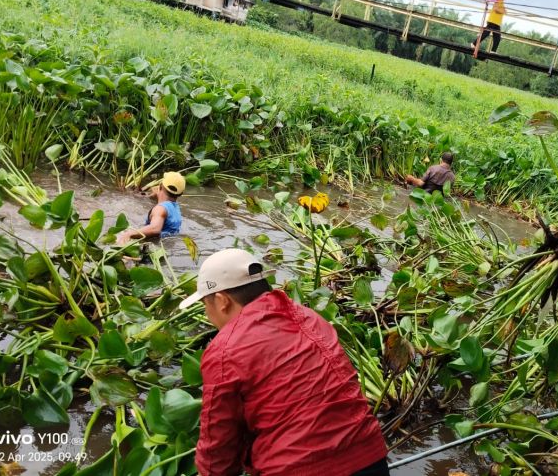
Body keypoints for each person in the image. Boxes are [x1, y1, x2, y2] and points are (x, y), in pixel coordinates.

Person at [179, 248, 389, 476]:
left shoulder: (225, 349)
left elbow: (218, 449)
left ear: (222, 301)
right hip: (372, 460)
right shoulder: (311, 318)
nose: (208, 314)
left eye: (205, 305)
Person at [117, 171, 185, 244]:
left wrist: (129, 234)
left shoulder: (160, 208)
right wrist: (152, 196)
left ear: (161, 186)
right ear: (180, 194)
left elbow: (155, 228)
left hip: (154, 246)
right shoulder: (175, 208)